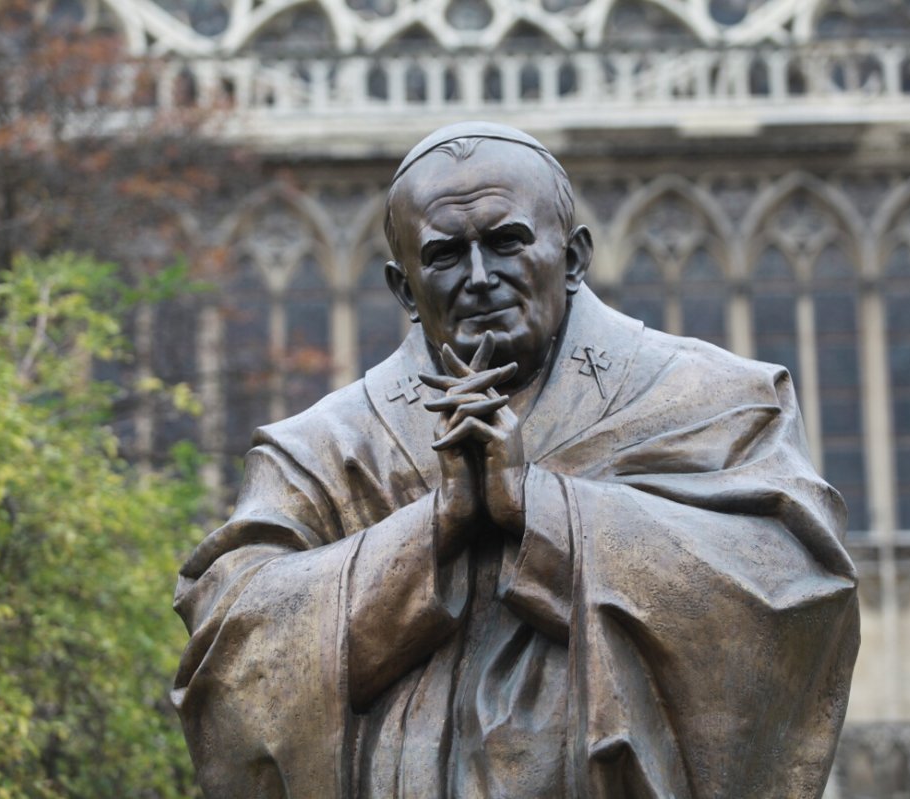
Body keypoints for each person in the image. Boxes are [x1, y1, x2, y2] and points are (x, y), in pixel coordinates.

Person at [172, 122, 859, 798]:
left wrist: (536, 508)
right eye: (444, 255)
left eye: (507, 241)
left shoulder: (716, 399)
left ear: (576, 256)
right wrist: (437, 528)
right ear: (404, 288)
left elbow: (797, 590)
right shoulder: (318, 448)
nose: (479, 276)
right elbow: (231, 653)